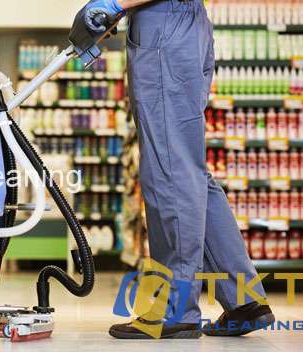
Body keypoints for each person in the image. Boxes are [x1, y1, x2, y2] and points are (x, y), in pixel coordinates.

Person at [82, 0, 275, 339]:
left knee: (168, 169)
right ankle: (243, 299)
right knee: (186, 168)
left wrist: (116, 4)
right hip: (180, 24)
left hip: (165, 28)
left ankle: (176, 309)